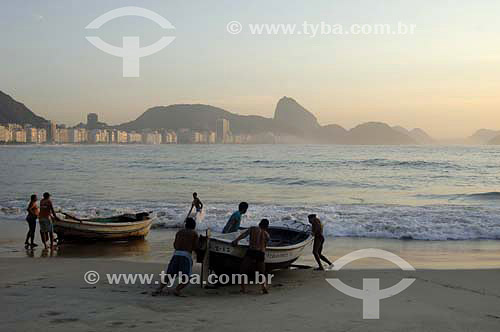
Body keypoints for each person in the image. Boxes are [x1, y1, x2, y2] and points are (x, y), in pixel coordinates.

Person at [153, 217, 199, 297]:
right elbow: (195, 247)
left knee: (169, 275)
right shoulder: (194, 233)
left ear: (186, 225)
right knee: (186, 278)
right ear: (194, 226)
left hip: (176, 255)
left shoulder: (179, 232)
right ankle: (177, 290)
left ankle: (160, 288)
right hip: (186, 256)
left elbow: (175, 245)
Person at [232, 219, 270, 294]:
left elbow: (243, 235)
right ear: (267, 226)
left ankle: (243, 289)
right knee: (261, 272)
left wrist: (236, 240)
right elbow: (264, 247)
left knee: (243, 270)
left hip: (252, 251)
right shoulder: (267, 235)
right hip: (260, 253)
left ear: (259, 224)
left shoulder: (253, 229)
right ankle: (263, 287)